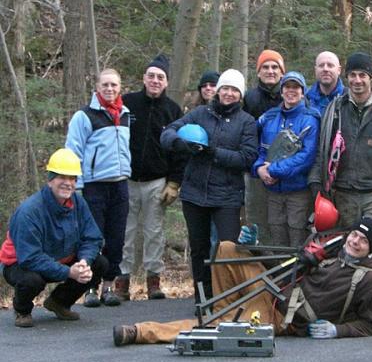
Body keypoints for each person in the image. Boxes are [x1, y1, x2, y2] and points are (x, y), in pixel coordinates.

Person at [112, 216, 372, 346]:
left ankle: (141, 331)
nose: (355, 241)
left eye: (363, 241)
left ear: (371, 249)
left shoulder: (370, 279)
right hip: (273, 291)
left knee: (216, 324)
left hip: (283, 317)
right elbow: (286, 267)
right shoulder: (332, 250)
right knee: (228, 248)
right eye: (354, 235)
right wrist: (256, 246)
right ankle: (229, 310)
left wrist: (338, 331)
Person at [308, 51, 372, 318]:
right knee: (343, 248)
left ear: (371, 78)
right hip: (342, 191)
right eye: (352, 75)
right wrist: (321, 189)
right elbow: (323, 150)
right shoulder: (336, 108)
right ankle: (347, 303)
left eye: (362, 75)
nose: (357, 80)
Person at [160, 69, 258, 302]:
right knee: (199, 249)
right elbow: (167, 133)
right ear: (218, 90)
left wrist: (214, 153)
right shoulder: (199, 114)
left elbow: (247, 157)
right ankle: (202, 298)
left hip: (227, 196)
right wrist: (180, 144)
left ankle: (228, 296)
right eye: (225, 88)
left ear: (240, 94)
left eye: (234, 90)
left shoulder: (247, 122)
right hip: (194, 194)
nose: (229, 93)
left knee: (228, 248)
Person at [0, 149, 106, 327]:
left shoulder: (78, 203)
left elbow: (92, 238)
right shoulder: (29, 211)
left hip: (61, 259)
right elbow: (30, 258)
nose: (68, 183)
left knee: (100, 263)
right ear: (50, 180)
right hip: (19, 264)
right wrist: (68, 272)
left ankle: (59, 302)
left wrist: (84, 262)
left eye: (72, 178)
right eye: (62, 178)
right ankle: (22, 309)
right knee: (31, 280)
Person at [115, 54, 185, 301]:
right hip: (126, 179)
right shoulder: (127, 104)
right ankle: (121, 281)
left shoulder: (173, 110)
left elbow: (180, 151)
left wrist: (174, 182)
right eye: (152, 76)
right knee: (125, 231)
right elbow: (115, 139)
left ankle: (153, 280)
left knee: (154, 232)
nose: (155, 81)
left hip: (157, 182)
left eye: (161, 77)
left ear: (166, 82)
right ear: (144, 79)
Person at [66, 68, 131, 307]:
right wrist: (77, 187)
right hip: (94, 187)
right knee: (94, 239)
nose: (110, 89)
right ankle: (90, 289)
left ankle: (108, 287)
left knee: (116, 239)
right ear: (97, 87)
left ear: (120, 87)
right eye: (105, 85)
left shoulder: (124, 114)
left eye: (114, 85)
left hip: (120, 185)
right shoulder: (84, 117)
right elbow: (73, 152)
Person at [253, 71, 320, 247]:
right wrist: (259, 168)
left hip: (298, 192)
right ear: (281, 91)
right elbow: (261, 150)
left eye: (296, 87)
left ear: (303, 91)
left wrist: (274, 170)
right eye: (287, 87)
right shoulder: (270, 117)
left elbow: (306, 156)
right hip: (273, 192)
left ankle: (299, 275)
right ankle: (280, 274)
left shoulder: (310, 119)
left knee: (298, 238)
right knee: (276, 238)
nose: (291, 91)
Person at [243, 49, 285, 245]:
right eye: (265, 67)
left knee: (281, 224)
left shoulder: (291, 96)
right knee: (257, 224)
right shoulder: (249, 99)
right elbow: (244, 137)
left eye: (275, 67)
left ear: (282, 72)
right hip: (255, 172)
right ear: (258, 72)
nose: (270, 71)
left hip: (286, 172)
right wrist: (256, 167)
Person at [306, 51, 345, 115]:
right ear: (315, 70)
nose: (325, 69)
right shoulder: (305, 100)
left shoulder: (348, 100)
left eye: (330, 65)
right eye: (321, 65)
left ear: (339, 70)